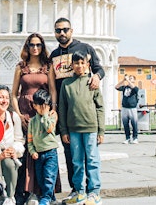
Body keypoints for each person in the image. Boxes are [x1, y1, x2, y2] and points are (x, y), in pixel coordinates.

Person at [49, 17, 104, 195]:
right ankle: (76, 189)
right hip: (64, 108)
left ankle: (92, 189)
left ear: (71, 31)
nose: (62, 33)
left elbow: (99, 68)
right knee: (71, 153)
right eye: (58, 30)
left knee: (90, 154)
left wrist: (97, 77)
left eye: (65, 29)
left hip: (85, 107)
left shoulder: (85, 48)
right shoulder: (54, 55)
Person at [11, 32, 59, 204]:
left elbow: (52, 90)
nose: (35, 48)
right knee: (26, 151)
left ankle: (44, 192)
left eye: (38, 45)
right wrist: (18, 114)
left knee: (44, 149)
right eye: (32, 45)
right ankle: (24, 191)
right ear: (27, 46)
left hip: (42, 111)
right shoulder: (20, 67)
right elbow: (14, 94)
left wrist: (53, 109)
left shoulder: (48, 66)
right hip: (24, 112)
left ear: (43, 46)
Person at [57, 53, 104, 205]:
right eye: (76, 63)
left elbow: (100, 107)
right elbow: (62, 108)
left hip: (91, 128)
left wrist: (101, 131)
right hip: (73, 129)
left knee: (92, 160)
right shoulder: (67, 84)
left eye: (82, 63)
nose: (79, 66)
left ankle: (94, 192)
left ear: (87, 65)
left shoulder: (92, 82)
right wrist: (63, 131)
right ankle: (79, 191)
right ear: (72, 66)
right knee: (76, 161)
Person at [27, 89, 59, 205]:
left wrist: (45, 114)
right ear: (35, 106)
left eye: (45, 106)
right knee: (40, 177)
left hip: (51, 152)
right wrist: (32, 151)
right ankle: (50, 198)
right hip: (38, 153)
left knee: (49, 176)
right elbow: (29, 140)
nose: (43, 108)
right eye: (40, 106)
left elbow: (49, 129)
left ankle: (46, 198)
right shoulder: (32, 121)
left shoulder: (52, 116)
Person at [116, 74, 140, 144]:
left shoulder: (135, 88)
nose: (130, 79)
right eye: (129, 78)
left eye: (131, 78)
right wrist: (123, 80)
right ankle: (127, 138)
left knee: (134, 123)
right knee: (125, 124)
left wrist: (128, 81)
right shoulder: (124, 88)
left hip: (132, 108)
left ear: (134, 80)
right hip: (124, 107)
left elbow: (134, 88)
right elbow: (116, 87)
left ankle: (135, 138)